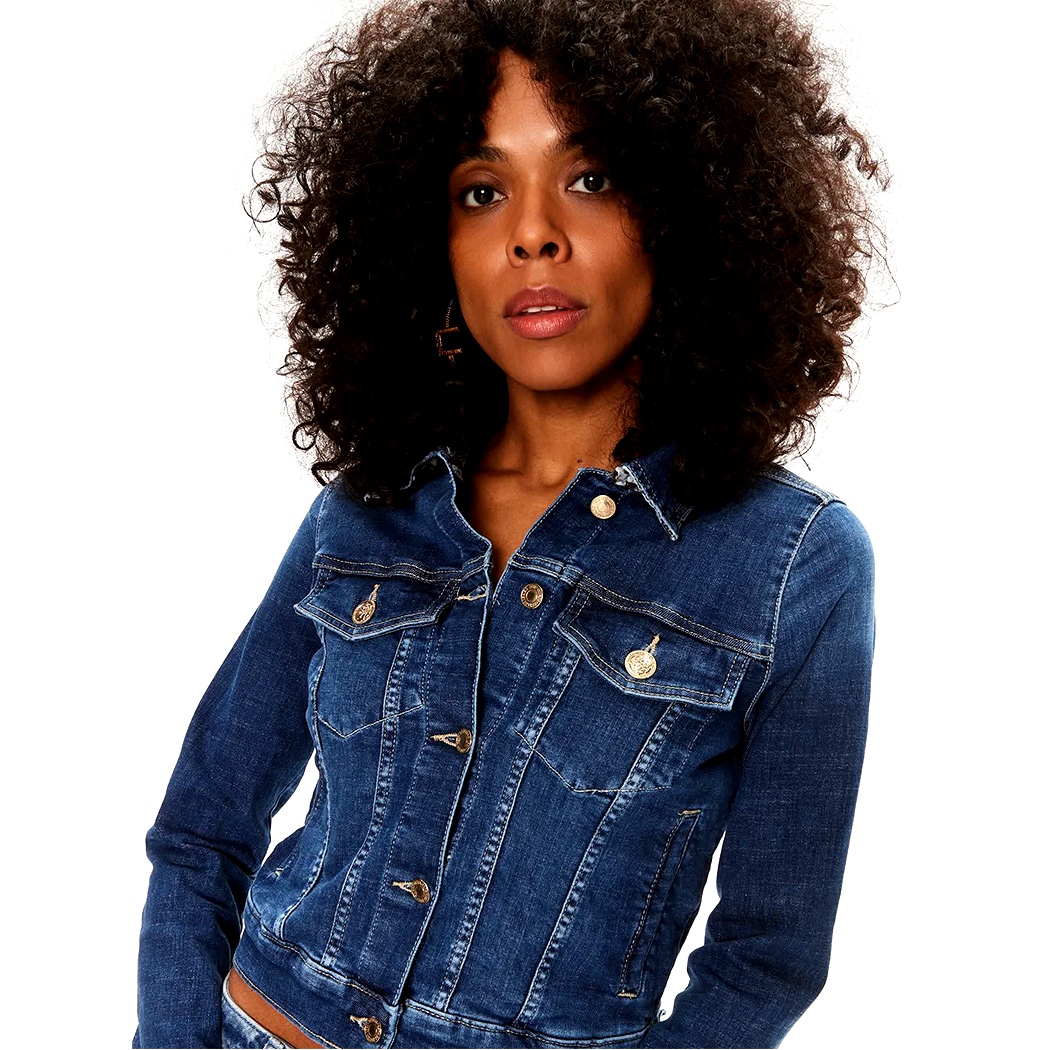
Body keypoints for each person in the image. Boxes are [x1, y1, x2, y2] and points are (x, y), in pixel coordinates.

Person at [134, 0, 884, 1046]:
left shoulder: (794, 564)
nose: (533, 232)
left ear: (689, 210)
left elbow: (766, 959)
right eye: (482, 192)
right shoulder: (371, 503)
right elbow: (202, 830)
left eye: (592, 177)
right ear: (432, 242)